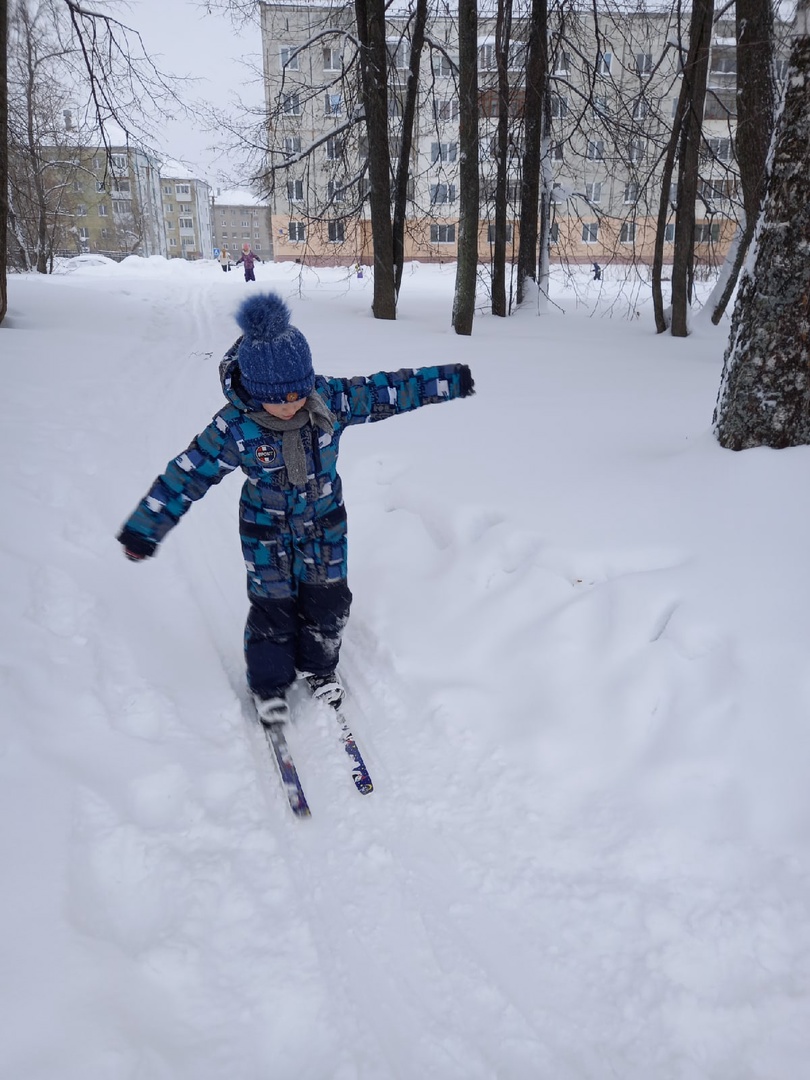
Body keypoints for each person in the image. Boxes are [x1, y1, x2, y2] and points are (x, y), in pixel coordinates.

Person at [117, 292, 475, 725]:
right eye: (279, 400)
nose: (291, 407)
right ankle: (269, 686)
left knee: (329, 602)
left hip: (325, 524)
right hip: (265, 532)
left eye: (297, 396)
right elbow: (185, 476)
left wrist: (451, 380)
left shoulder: (327, 400)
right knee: (274, 609)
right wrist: (144, 528)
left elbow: (389, 390)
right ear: (254, 389)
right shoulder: (235, 426)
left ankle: (319, 667)